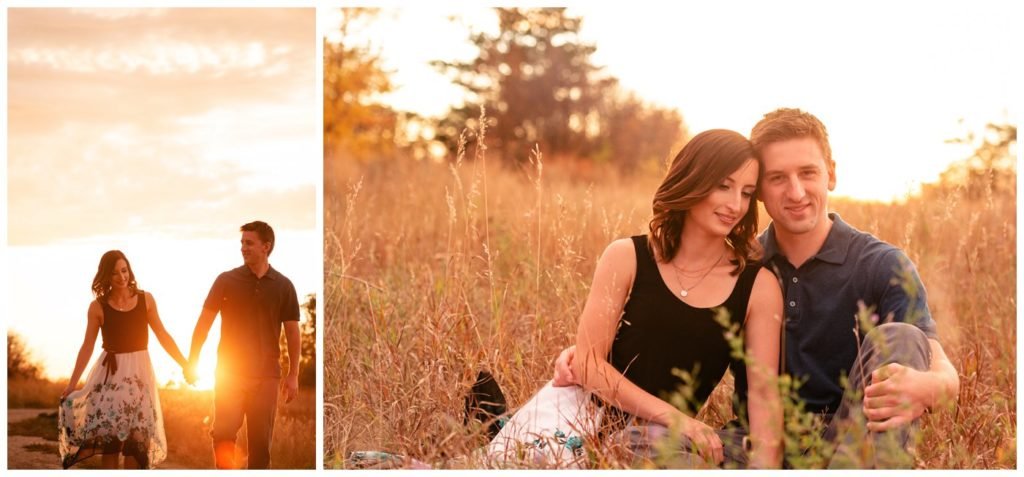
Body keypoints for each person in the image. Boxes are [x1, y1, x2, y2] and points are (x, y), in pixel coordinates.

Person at [555, 108, 960, 468]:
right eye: (777, 179)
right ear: (761, 191)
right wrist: (589, 355)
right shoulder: (746, 267)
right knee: (638, 445)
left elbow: (933, 360)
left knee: (901, 337)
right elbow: (681, 310)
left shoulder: (881, 264)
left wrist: (932, 386)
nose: (796, 192)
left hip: (848, 442)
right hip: (752, 443)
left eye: (808, 173)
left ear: (831, 173)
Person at [485, 129, 784, 469]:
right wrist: (678, 419)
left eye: (746, 194)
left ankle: (498, 422)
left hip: (652, 442)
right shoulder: (627, 256)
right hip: (578, 414)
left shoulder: (757, 285)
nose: (735, 205)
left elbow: (764, 399)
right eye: (723, 186)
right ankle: (497, 425)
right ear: (693, 181)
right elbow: (587, 363)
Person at [59, 250, 194, 469]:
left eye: (124, 270)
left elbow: (162, 334)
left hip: (140, 379)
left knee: (137, 446)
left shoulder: (145, 299)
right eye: (114, 273)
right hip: (109, 380)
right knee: (111, 445)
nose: (122, 277)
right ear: (105, 276)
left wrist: (185, 364)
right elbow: (87, 346)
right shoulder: (97, 307)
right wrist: (72, 383)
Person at [187, 220, 301, 470]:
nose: (243, 248)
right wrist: (192, 360)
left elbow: (293, 333)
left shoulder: (284, 286)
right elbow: (204, 323)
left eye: (249, 243)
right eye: (242, 243)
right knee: (223, 434)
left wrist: (293, 374)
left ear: (266, 246)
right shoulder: (226, 280)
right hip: (230, 374)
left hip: (266, 377)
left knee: (261, 447)